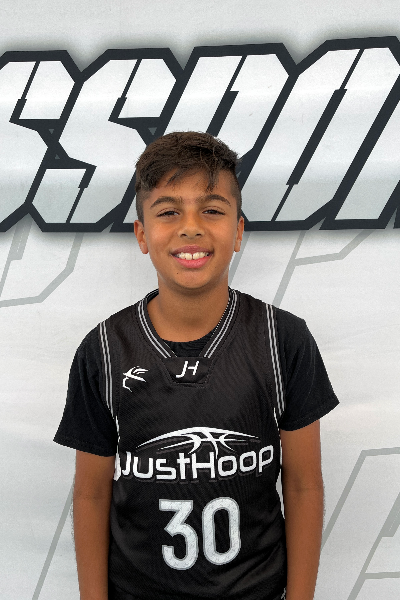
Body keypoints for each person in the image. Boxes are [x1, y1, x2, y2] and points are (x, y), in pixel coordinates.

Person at [54, 131, 339, 600]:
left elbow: (304, 484)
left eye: (211, 210)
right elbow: (91, 494)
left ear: (239, 231)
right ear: (142, 234)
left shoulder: (282, 339)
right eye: (168, 212)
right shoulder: (103, 349)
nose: (190, 228)